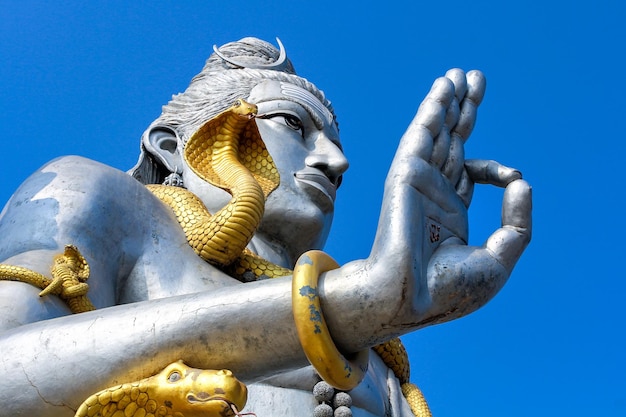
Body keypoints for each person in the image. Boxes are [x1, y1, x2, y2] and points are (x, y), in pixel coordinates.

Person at [0, 38, 531, 416]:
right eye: (293, 126)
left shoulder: (380, 353)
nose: (334, 163)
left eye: (337, 147)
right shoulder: (99, 197)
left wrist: (379, 306)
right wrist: (345, 305)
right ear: (173, 147)